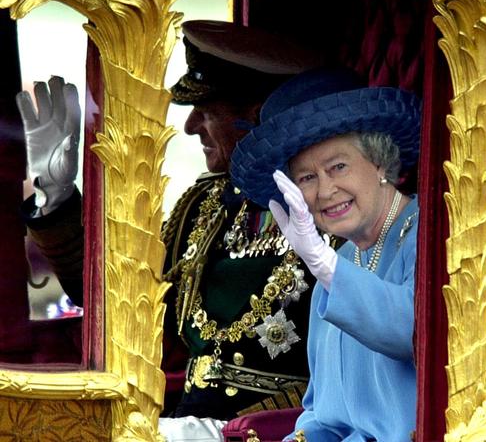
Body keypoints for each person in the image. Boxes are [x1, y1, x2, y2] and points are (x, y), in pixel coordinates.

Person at [17, 21, 325, 438]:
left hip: (281, 428)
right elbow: (122, 301)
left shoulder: (330, 212)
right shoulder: (204, 207)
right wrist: (56, 197)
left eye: (208, 112)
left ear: (257, 117)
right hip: (185, 421)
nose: (191, 126)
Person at [231, 67, 486, 441]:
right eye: (306, 178)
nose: (324, 190)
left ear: (380, 162)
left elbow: (418, 334)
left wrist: (325, 266)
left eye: (338, 166)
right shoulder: (339, 264)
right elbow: (323, 416)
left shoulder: (444, 239)